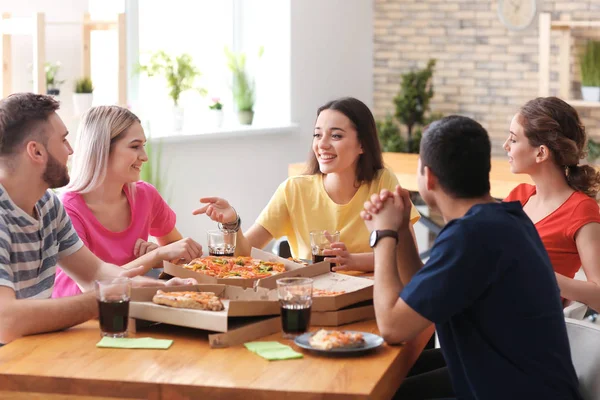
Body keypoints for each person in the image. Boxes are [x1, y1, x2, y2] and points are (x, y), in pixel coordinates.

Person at [362, 115, 582, 399]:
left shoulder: (471, 236)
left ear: (428, 177)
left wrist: (382, 235)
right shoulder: (505, 218)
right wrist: (402, 227)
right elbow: (424, 295)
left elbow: (392, 327)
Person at [0, 93, 194, 344]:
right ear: (36, 151)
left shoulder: (48, 206)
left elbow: (95, 273)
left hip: (36, 353)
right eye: (63, 140)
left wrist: (156, 290)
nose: (71, 150)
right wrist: (105, 297)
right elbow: (6, 320)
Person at [193, 97, 420, 272]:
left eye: (336, 136)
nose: (322, 145)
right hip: (312, 298)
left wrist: (352, 261)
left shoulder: (383, 182)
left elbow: (407, 255)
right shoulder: (294, 190)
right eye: (317, 135)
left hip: (372, 298)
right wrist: (232, 222)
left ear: (362, 144)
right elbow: (245, 254)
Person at [53, 106, 202, 298]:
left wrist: (161, 256)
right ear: (102, 149)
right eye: (134, 146)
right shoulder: (66, 209)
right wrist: (153, 257)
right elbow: (85, 288)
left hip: (130, 305)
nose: (144, 156)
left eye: (143, 146)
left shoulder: (145, 195)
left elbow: (180, 255)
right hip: (79, 318)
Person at [504, 97, 600, 311]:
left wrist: (542, 274)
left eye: (513, 139)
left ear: (541, 152)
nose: (505, 146)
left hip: (528, 326)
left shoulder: (581, 210)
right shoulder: (517, 197)